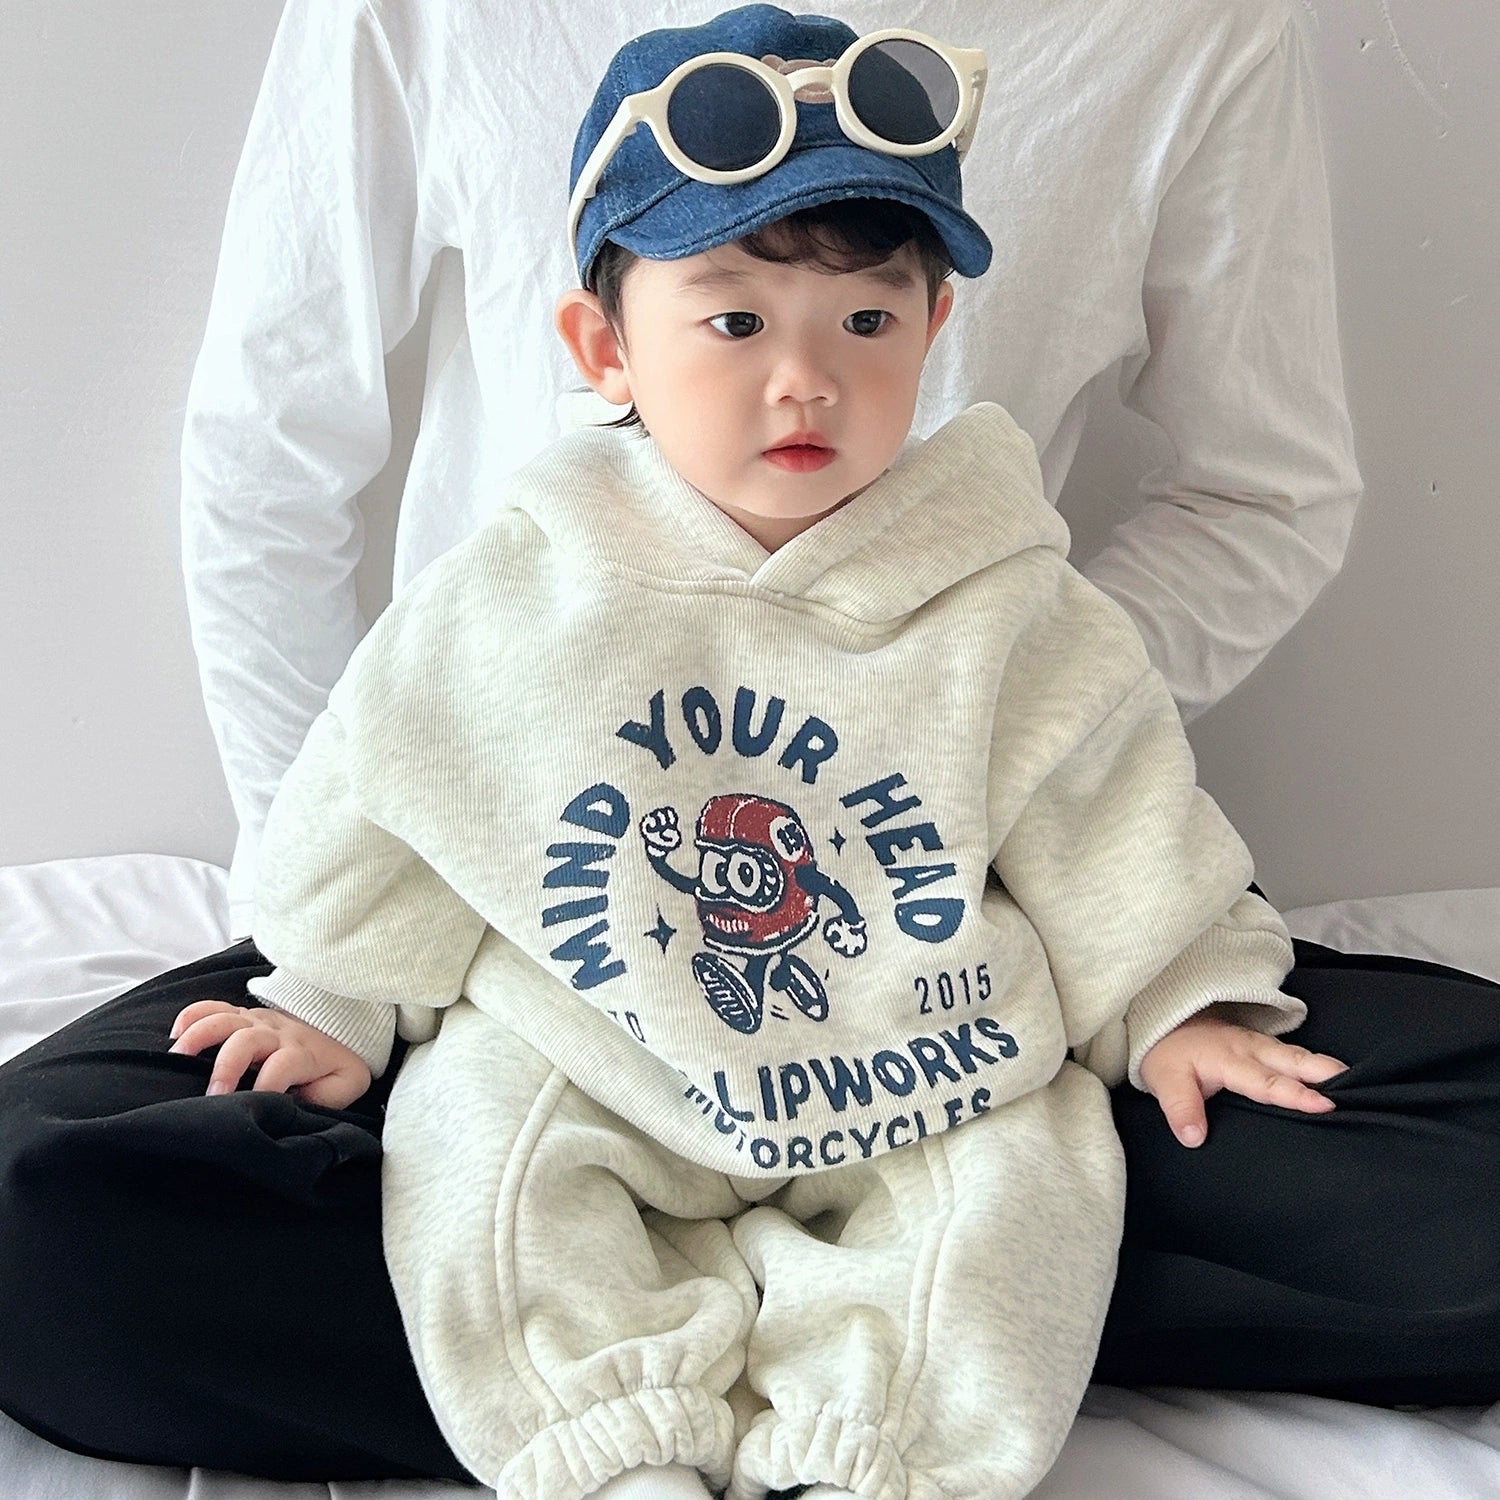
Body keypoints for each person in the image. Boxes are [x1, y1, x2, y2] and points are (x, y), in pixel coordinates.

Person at [1, 0, 1498, 1486]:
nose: (807, 378)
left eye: (867, 322)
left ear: (933, 327)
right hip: (580, 1022)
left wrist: (1173, 994)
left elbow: (1105, 807)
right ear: (604, 346)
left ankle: (867, 1435)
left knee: (1016, 1184)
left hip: (928, 1038)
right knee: (395, 1172)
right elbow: (396, 788)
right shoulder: (514, 588)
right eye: (733, 322)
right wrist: (334, 992)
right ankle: (621, 1432)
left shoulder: (1007, 599)